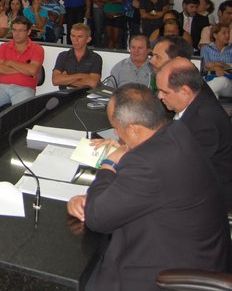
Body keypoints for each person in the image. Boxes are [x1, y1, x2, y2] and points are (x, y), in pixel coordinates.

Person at [66, 84, 229, 290]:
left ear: (134, 129)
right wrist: (127, 147)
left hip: (169, 273)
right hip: (200, 253)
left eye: (117, 129)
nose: (117, 135)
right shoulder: (177, 131)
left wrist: (109, 163)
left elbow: (97, 218)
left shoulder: (146, 163)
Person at [156, 58, 232, 207]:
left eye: (164, 91)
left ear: (185, 91)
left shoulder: (204, 123)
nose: (159, 96)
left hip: (211, 201)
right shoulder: (194, 102)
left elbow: (179, 169)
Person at [0, 18, 44, 126]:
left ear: (29, 32)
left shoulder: (37, 49)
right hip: (2, 87)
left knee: (18, 114)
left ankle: (13, 139)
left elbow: (32, 71)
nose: (17, 34)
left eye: (21, 30)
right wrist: (23, 69)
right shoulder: (4, 47)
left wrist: (10, 62)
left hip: (25, 89)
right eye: (14, 30)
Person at [52, 23, 103, 89]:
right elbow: (55, 80)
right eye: (73, 36)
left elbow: (93, 84)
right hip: (64, 95)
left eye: (80, 36)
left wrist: (66, 79)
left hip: (85, 96)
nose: (75, 40)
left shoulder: (95, 58)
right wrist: (80, 76)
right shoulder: (63, 55)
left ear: (88, 39)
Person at [201, 22, 232, 98]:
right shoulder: (206, 49)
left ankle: (199, 96)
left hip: (228, 83)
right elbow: (205, 66)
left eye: (228, 33)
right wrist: (216, 68)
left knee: (222, 80)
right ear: (215, 35)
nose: (227, 35)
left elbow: (209, 65)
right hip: (210, 80)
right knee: (214, 93)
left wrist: (219, 64)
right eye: (224, 33)